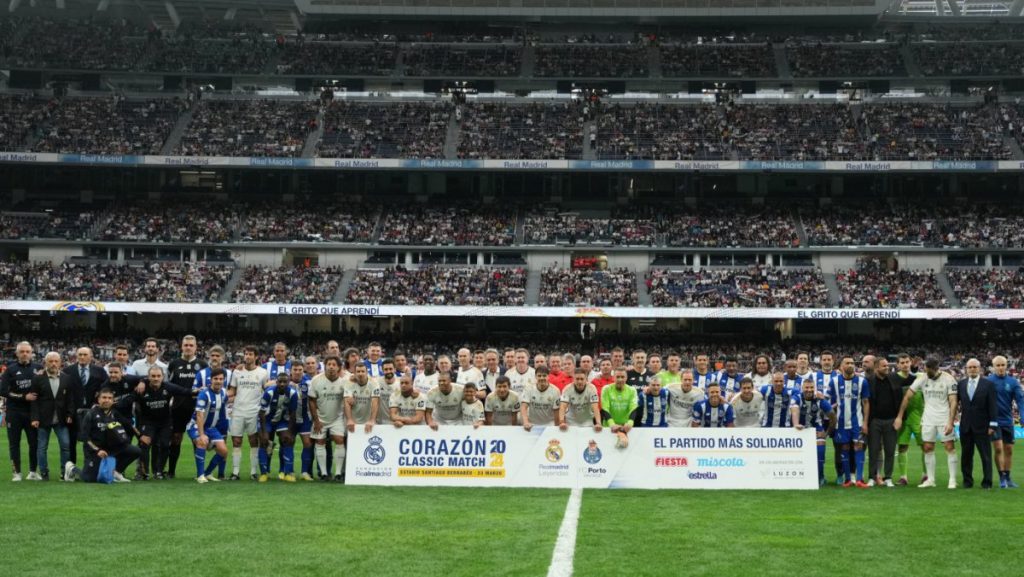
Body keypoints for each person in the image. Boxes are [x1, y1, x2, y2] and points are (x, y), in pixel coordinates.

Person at [895, 357, 957, 489]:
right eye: (926, 370)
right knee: (928, 448)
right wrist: (900, 416)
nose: (927, 374)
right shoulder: (923, 378)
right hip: (928, 418)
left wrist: (951, 421)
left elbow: (953, 401)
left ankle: (952, 479)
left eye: (930, 372)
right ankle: (930, 479)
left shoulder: (949, 379)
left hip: (944, 417)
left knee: (949, 447)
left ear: (936, 369)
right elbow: (907, 396)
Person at [63, 388, 140, 484]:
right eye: (104, 398)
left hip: (111, 448)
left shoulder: (114, 413)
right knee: (90, 479)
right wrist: (98, 450)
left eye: (109, 398)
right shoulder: (91, 414)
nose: (107, 400)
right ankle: (72, 468)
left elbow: (128, 425)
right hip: (94, 450)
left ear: (113, 401)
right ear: (98, 400)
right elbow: (85, 437)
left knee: (136, 451)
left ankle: (117, 473)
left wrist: (140, 435)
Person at [166, 335, 207, 479]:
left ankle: (200, 472)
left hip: (196, 409)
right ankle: (171, 472)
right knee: (176, 438)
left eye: (191, 345)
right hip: (178, 408)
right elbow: (168, 385)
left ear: (196, 347)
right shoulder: (173, 364)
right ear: (181, 346)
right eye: (186, 345)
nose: (188, 347)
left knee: (197, 440)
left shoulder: (202, 365)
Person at [227, 346, 270, 481]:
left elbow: (267, 390)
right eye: (246, 354)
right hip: (238, 411)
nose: (247, 356)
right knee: (236, 441)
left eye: (250, 354)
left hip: (254, 411)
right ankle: (235, 472)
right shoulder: (237, 372)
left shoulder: (263, 373)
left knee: (253, 441)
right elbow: (232, 391)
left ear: (256, 357)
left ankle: (253, 472)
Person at [1, 341, 42, 481]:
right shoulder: (10, 369)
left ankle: (33, 472)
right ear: (17, 353)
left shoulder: (39, 368)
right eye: (22, 352)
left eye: (27, 352)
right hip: (14, 412)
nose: (25, 354)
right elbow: (3, 391)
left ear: (32, 353)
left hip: (33, 413)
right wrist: (24, 397)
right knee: (14, 443)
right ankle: (16, 473)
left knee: (34, 443)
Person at [30, 352, 75, 481]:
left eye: (56, 361)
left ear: (61, 362)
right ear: (45, 362)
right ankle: (44, 473)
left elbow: (70, 399)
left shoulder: (66, 378)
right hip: (43, 419)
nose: (54, 364)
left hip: (61, 419)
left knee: (65, 446)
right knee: (42, 447)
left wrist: (70, 414)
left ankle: (64, 472)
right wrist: (34, 418)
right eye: (51, 361)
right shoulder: (37, 378)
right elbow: (34, 400)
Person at [829, 355, 871, 488]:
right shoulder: (834, 381)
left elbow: (866, 403)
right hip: (841, 424)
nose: (850, 365)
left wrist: (865, 423)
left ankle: (859, 479)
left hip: (857, 423)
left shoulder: (862, 382)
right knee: (844, 449)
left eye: (852, 363)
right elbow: (831, 403)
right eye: (847, 363)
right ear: (841, 366)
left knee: (859, 448)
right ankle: (847, 479)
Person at [957, 359, 998, 489]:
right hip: (965, 427)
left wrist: (992, 425)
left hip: (983, 427)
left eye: (975, 367)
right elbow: (955, 403)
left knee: (985, 456)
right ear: (966, 369)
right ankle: (967, 481)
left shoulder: (988, 384)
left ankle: (987, 482)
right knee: (966, 457)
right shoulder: (961, 384)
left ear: (979, 368)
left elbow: (993, 405)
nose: (972, 369)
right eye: (970, 367)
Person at [307, 356, 348, 482]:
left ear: (339, 367)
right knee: (320, 442)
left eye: (334, 364)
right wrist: (316, 421)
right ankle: (324, 473)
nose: (331, 367)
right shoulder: (316, 380)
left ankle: (337, 473)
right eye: (328, 364)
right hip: (320, 418)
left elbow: (347, 398)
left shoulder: (344, 381)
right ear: (324, 366)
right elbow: (312, 401)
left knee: (339, 440)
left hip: (337, 417)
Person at [63, 346, 104, 467]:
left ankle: (92, 467)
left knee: (93, 441)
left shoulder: (99, 371)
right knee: (71, 442)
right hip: (73, 412)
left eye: (85, 354)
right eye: (80, 354)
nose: (82, 357)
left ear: (91, 356)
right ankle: (71, 469)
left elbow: (106, 388)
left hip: (93, 412)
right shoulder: (67, 371)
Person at [791, 379, 835, 485]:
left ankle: (820, 477)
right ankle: (800, 477)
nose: (809, 390)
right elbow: (795, 410)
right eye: (806, 387)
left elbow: (833, 416)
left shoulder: (820, 400)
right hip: (799, 430)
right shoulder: (796, 398)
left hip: (816, 430)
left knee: (820, 452)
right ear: (802, 388)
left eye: (811, 387)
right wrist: (796, 424)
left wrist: (826, 433)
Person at [188, 368, 229, 483]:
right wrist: (201, 435)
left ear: (224, 380)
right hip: (195, 425)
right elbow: (199, 416)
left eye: (221, 379)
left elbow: (222, 410)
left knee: (223, 451)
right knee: (202, 442)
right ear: (211, 380)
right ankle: (200, 475)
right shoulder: (204, 394)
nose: (218, 381)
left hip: (211, 427)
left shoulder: (224, 393)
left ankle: (208, 473)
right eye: (216, 379)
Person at [989, 355, 1024, 488]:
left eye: (1003, 365)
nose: (1000, 367)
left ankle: (1008, 477)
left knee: (1008, 449)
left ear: (1006, 365)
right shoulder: (988, 381)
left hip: (1008, 420)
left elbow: (1020, 400)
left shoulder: (1013, 382)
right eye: (997, 365)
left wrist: (1022, 415)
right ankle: (1002, 477)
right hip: (994, 421)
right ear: (993, 367)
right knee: (998, 448)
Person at [867, 357, 903, 487]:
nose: (887, 367)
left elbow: (901, 398)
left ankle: (888, 477)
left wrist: (899, 418)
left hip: (891, 420)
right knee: (873, 450)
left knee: (890, 450)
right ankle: (872, 477)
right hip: (875, 421)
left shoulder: (894, 379)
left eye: (887, 365)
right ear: (876, 368)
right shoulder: (869, 381)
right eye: (884, 366)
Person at [258, 374, 298, 482]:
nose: (282, 384)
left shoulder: (293, 394)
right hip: (267, 420)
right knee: (264, 442)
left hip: (282, 421)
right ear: (276, 382)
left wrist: (290, 431)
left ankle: (288, 473)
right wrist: (264, 432)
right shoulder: (269, 392)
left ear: (288, 382)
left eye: (285, 382)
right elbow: (261, 413)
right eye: (280, 382)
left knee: (287, 440)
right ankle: (264, 473)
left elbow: (293, 413)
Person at [893, 353, 925, 486]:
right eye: (902, 362)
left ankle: (926, 475)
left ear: (911, 362)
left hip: (920, 417)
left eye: (907, 362)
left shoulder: (920, 377)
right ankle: (903, 477)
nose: (905, 364)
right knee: (902, 447)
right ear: (898, 365)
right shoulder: (894, 379)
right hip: (903, 418)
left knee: (925, 446)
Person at [293, 361, 316, 480]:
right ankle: (287, 471)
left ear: (303, 371)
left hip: (305, 419)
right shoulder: (285, 381)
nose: (297, 372)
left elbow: (313, 399)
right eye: (295, 369)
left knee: (307, 444)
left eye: (300, 370)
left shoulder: (309, 382)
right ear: (290, 370)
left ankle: (305, 472)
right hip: (289, 420)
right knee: (287, 444)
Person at [601, 367, 638, 440]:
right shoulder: (606, 389)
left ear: (626, 378)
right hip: (608, 427)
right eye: (617, 377)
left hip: (625, 428)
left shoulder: (632, 390)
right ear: (613, 378)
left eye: (622, 377)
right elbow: (605, 408)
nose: (620, 379)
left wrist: (630, 423)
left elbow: (633, 408)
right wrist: (612, 424)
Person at [521, 366, 561, 430]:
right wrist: (526, 422)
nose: (541, 378)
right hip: (532, 424)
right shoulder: (528, 388)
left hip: (549, 424)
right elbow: (523, 407)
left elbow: (556, 411)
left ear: (548, 377)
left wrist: (556, 428)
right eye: (539, 376)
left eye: (544, 376)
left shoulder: (555, 391)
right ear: (535, 377)